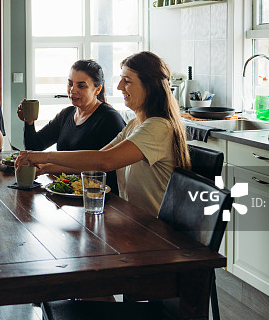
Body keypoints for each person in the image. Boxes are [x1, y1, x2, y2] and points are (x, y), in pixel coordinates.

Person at [15, 51, 190, 215]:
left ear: (149, 86)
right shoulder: (135, 125)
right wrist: (45, 168)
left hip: (153, 230)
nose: (120, 86)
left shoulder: (158, 127)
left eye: (127, 81)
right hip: (132, 218)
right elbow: (97, 159)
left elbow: (105, 162)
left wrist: (44, 157)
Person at [18, 59, 125, 192]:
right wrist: (29, 122)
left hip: (97, 197)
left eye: (81, 86)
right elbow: (34, 147)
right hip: (68, 193)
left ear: (97, 89)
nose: (73, 90)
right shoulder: (67, 114)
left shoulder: (110, 119)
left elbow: (103, 167)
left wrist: (48, 167)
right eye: (70, 84)